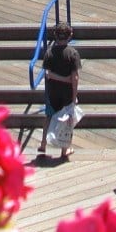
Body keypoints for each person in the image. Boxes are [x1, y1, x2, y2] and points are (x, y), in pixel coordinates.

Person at [41, 23, 82, 161]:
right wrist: (74, 94)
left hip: (52, 92)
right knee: (68, 120)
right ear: (70, 35)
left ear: (55, 35)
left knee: (48, 116)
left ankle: (43, 144)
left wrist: (56, 78)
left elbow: (47, 73)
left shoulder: (49, 52)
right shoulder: (73, 54)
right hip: (67, 93)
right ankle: (65, 149)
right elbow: (74, 77)